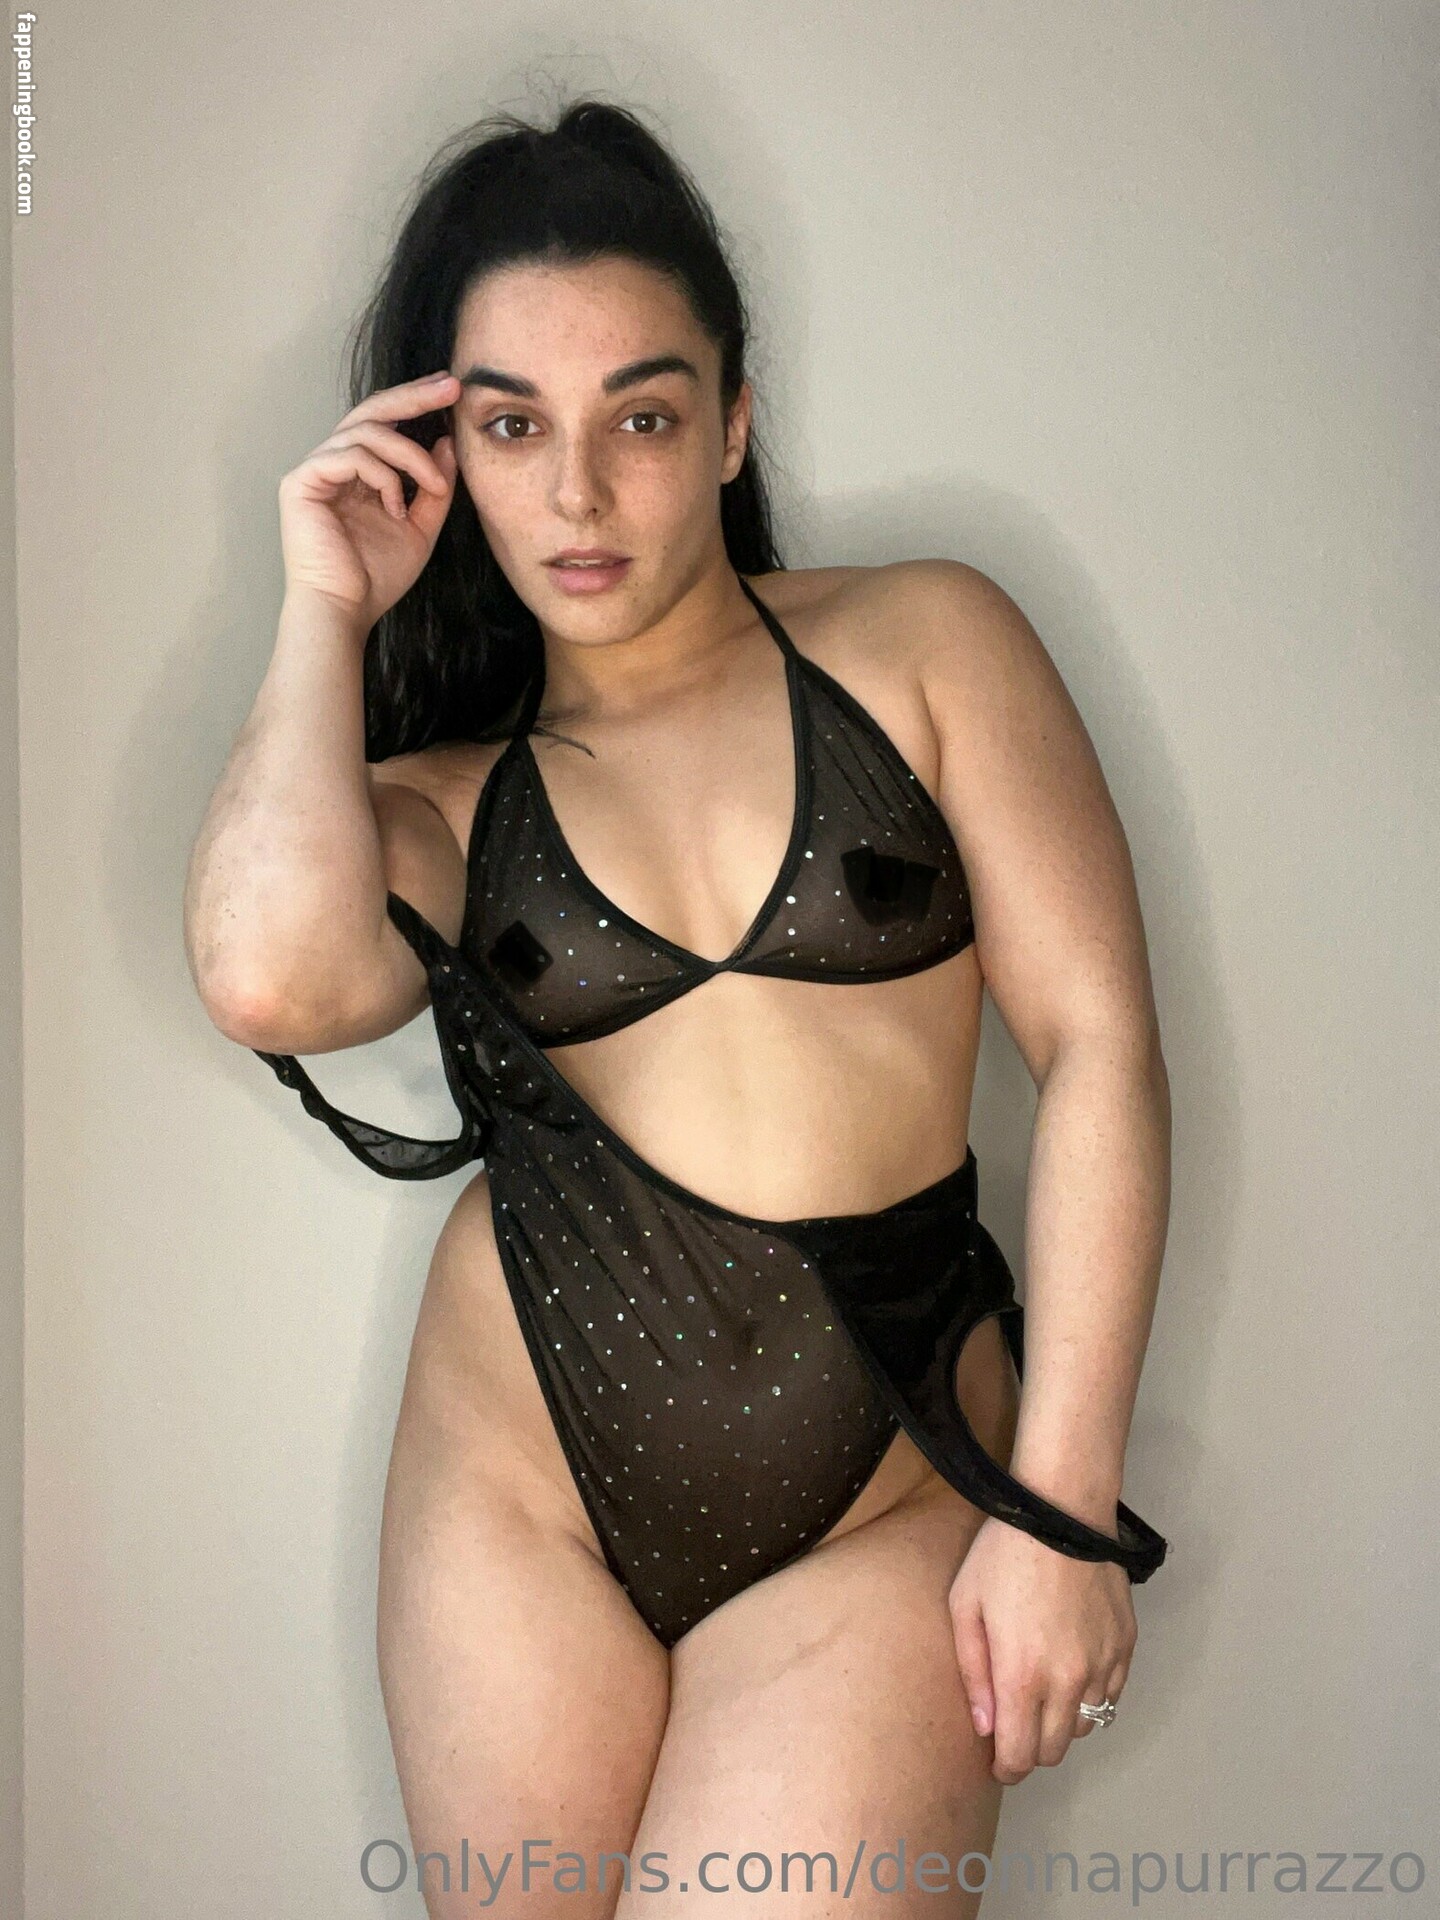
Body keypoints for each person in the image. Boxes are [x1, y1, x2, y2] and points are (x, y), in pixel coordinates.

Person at [184, 99, 1171, 1920]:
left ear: (730, 422)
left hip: (886, 1489)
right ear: (446, 455)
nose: (577, 494)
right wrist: (323, 608)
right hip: (523, 1491)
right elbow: (269, 974)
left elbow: (1100, 1048)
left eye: (639, 416)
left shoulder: (926, 641)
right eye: (511, 426)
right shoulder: (446, 799)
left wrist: (1063, 1509)